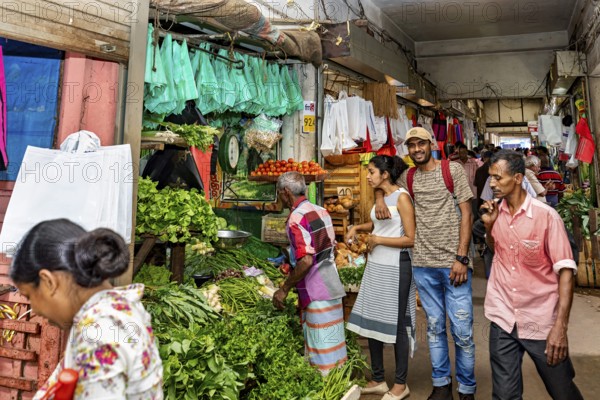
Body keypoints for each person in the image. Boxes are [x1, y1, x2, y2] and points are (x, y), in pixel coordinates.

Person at [10, 219, 163, 399]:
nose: (34, 310)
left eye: (29, 296)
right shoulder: (117, 308)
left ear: (48, 282)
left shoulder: (98, 330)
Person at [376, 127, 477, 400]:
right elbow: (383, 182)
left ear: (431, 144)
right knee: (434, 329)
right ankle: (441, 385)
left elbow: (467, 215)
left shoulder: (452, 170)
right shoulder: (408, 176)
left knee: (462, 331)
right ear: (407, 150)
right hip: (422, 263)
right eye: (411, 145)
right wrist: (377, 198)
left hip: (453, 264)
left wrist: (461, 257)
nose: (417, 149)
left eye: (421, 143)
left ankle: (467, 389)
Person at [480, 150, 583, 400]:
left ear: (517, 178)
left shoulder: (546, 217)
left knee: (562, 391)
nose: (492, 183)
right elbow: (498, 252)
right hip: (503, 317)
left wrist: (560, 327)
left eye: (498, 177)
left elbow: (566, 272)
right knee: (504, 395)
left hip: (541, 321)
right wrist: (490, 227)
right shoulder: (494, 213)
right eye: (490, 177)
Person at [346, 155, 416, 400]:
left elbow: (411, 238)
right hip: (376, 265)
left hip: (397, 266)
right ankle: (378, 379)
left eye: (372, 172)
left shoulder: (403, 198)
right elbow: (379, 225)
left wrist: (378, 240)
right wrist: (358, 228)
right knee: (372, 321)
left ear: (385, 175)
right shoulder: (382, 197)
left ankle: (400, 384)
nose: (367, 176)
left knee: (396, 325)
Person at [273, 171, 347, 375]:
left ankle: (326, 390)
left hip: (316, 289)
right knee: (334, 344)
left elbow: (306, 259)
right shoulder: (321, 210)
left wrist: (284, 288)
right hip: (331, 284)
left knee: (321, 350)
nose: (279, 197)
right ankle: (339, 386)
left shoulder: (296, 218)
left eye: (279, 193)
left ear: (287, 192)